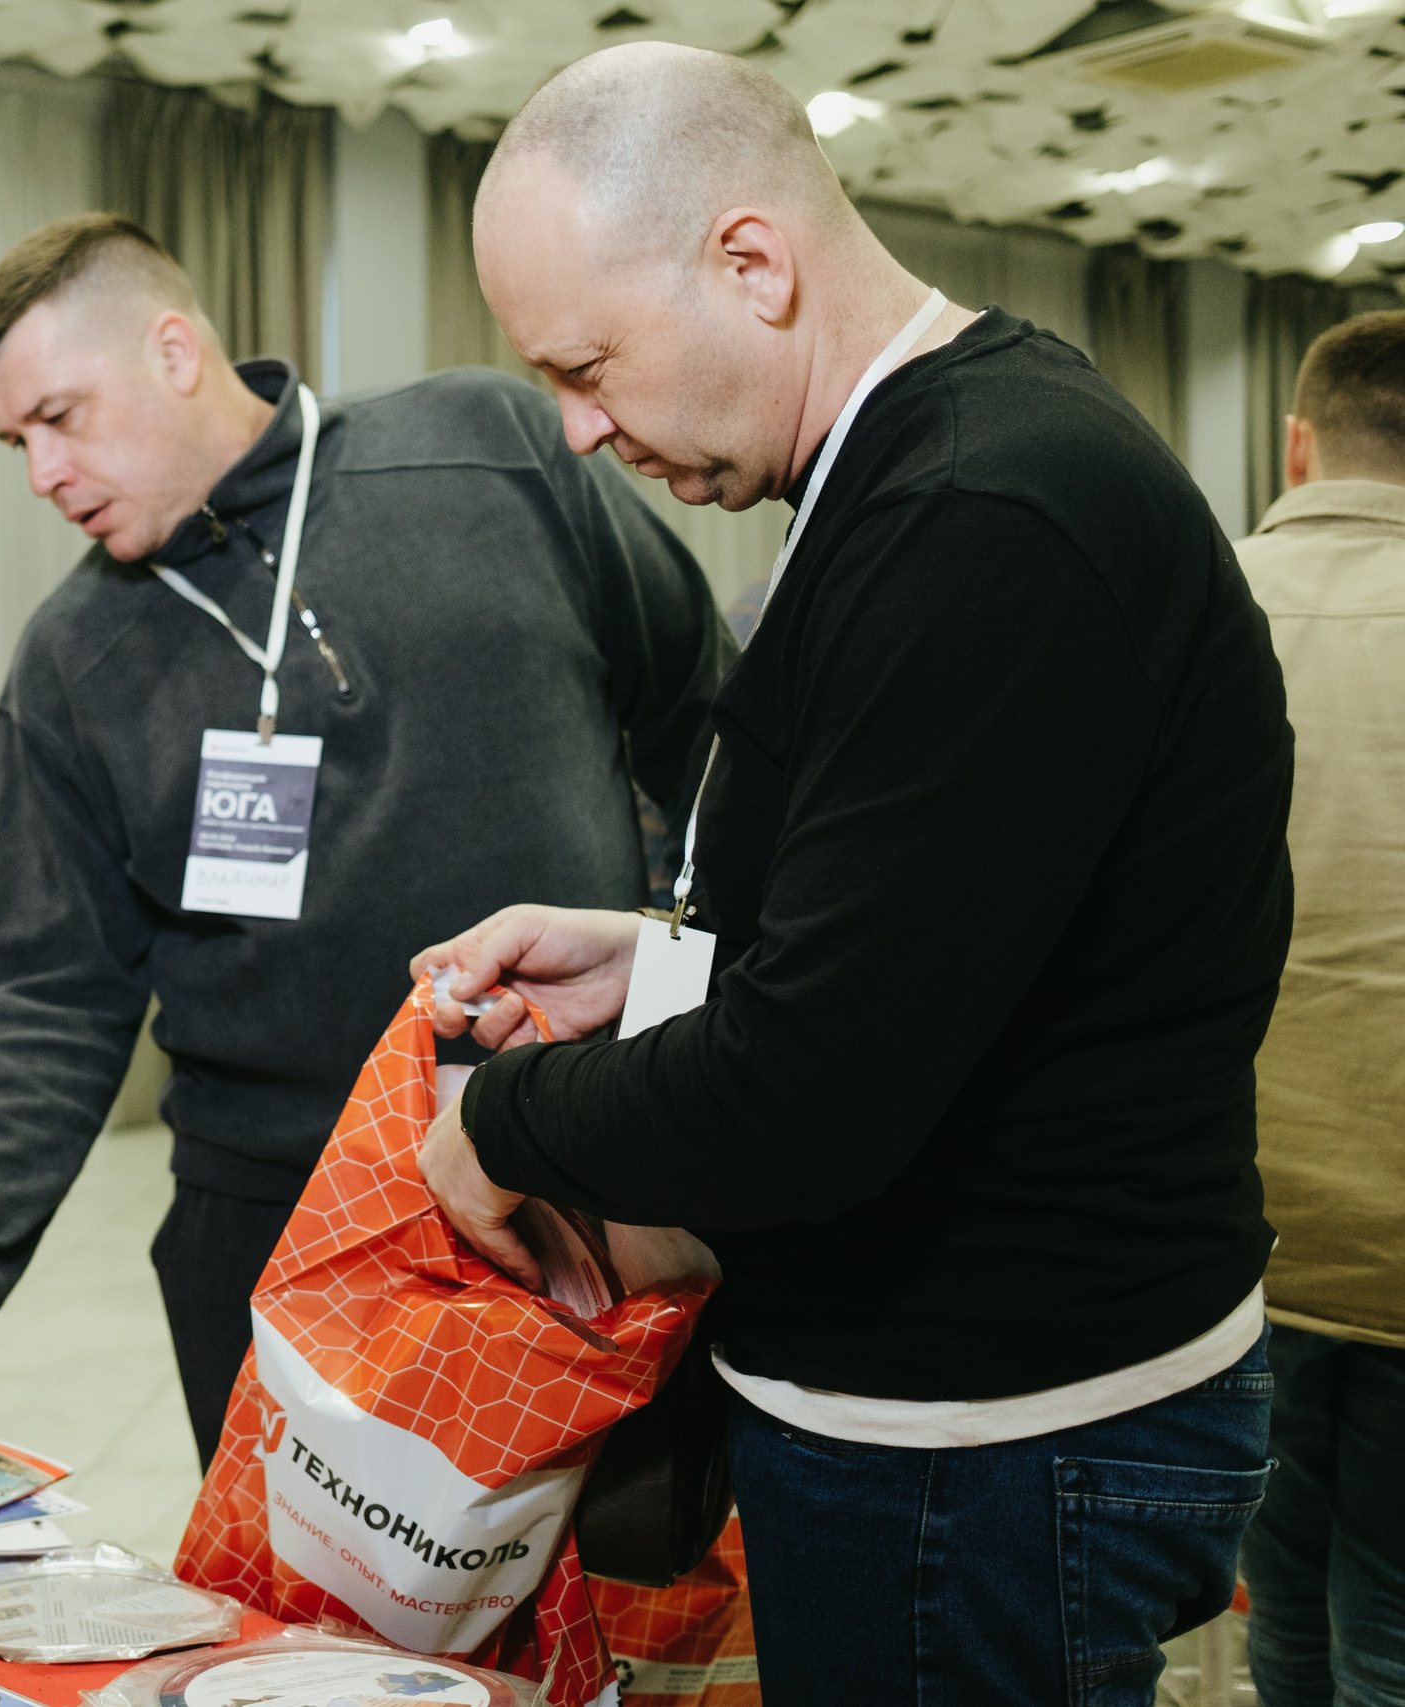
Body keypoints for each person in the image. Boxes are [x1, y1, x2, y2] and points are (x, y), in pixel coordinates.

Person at [412, 45, 1290, 1703]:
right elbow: (940, 922)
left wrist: (496, 1128)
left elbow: (814, 1088)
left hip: (988, 1441)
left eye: (590, 364)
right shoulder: (921, 466)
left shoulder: (980, 515)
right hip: (983, 1416)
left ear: (754, 262)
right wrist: (660, 954)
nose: (583, 431)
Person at [0, 214, 732, 1455]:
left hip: (570, 1170)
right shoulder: (71, 664)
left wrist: (704, 982)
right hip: (269, 1225)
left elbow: (700, 716)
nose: (42, 473)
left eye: (60, 416)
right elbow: (47, 999)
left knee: (620, 1617)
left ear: (171, 350)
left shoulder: (488, 447)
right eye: (15, 442)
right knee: (293, 1642)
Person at [1231, 312, 1405, 1707]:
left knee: (1277, 1597)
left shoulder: (1197, 601)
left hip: (1240, 1221)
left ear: (1298, 441)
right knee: (1396, 1624)